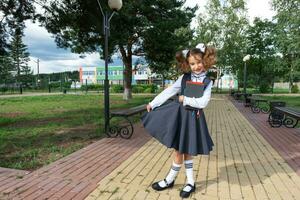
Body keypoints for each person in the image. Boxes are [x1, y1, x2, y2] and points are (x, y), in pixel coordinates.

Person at [141, 43, 217, 198]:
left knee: (187, 151)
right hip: (179, 117)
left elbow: (203, 103)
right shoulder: (184, 78)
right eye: (192, 63)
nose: (196, 66)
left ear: (205, 61)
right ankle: (173, 179)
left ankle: (188, 182)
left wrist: (184, 98)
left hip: (193, 119)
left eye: (199, 62)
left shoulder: (208, 81)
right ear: (188, 64)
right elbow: (170, 91)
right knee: (178, 150)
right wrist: (153, 103)